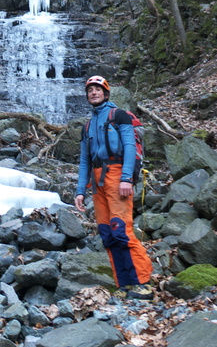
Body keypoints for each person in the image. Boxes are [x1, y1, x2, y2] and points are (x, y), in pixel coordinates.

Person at [74, 75, 153, 299]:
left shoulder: (118, 116)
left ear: (106, 94)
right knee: (107, 233)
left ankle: (143, 281)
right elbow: (84, 161)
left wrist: (127, 178)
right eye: (90, 90)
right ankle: (124, 284)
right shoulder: (87, 126)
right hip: (97, 181)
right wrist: (80, 191)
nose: (94, 93)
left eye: (98, 89)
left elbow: (129, 146)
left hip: (117, 174)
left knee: (121, 229)